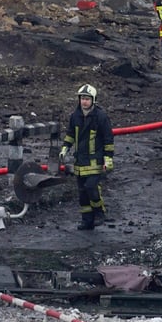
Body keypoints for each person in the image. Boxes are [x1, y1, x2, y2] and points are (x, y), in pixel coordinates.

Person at [60, 84, 115, 230]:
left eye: (87, 99)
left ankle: (99, 212)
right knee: (82, 193)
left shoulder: (100, 117)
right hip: (80, 161)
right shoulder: (75, 116)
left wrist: (108, 158)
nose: (84, 102)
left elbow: (108, 139)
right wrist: (65, 148)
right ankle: (87, 221)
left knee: (91, 187)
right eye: (82, 99)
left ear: (93, 100)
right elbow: (71, 134)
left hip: (95, 160)